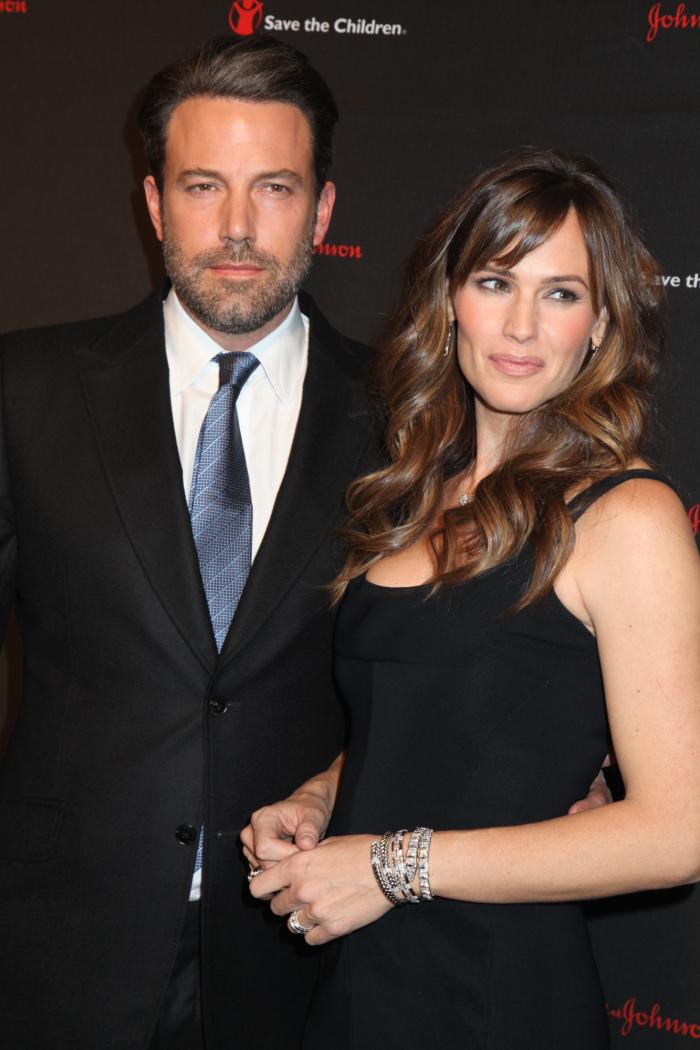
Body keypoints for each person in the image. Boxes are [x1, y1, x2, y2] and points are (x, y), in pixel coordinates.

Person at [244, 149, 700, 1049]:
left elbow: (677, 832)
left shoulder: (626, 516)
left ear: (600, 324)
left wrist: (392, 866)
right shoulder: (419, 492)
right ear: (452, 298)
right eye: (496, 282)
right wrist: (322, 796)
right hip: (357, 981)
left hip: (496, 994)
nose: (522, 325)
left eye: (561, 293)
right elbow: (442, 725)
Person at [0, 33, 379, 1050]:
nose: (238, 228)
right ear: (156, 203)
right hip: (55, 952)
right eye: (205, 186)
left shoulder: (410, 416)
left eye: (275, 189)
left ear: (322, 211)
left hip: (311, 956)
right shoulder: (26, 392)